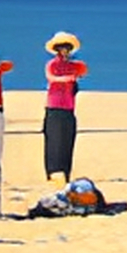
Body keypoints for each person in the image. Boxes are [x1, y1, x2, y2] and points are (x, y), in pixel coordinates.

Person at [43, 31, 86, 184]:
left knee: (67, 141)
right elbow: (51, 77)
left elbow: (83, 70)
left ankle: (66, 172)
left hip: (68, 108)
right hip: (54, 107)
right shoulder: (52, 64)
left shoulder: (73, 66)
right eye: (62, 48)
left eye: (67, 48)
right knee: (54, 141)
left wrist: (73, 72)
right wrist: (66, 79)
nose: (64, 51)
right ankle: (52, 172)